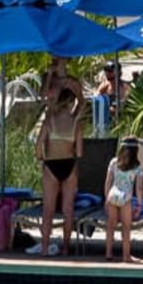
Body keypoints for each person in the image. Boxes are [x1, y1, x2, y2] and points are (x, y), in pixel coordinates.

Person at [36, 82, 86, 257]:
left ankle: (44, 247)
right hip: (69, 165)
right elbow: (80, 152)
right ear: (71, 103)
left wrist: (44, 158)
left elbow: (37, 149)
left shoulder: (49, 122)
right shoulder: (75, 124)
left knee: (48, 210)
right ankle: (65, 247)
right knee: (68, 209)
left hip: (52, 165)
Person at [104, 137, 143, 262]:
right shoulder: (137, 167)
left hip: (112, 194)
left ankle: (108, 253)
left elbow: (108, 181)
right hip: (125, 197)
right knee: (126, 227)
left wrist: (106, 198)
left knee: (111, 225)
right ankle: (126, 255)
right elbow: (139, 188)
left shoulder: (114, 162)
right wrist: (139, 204)